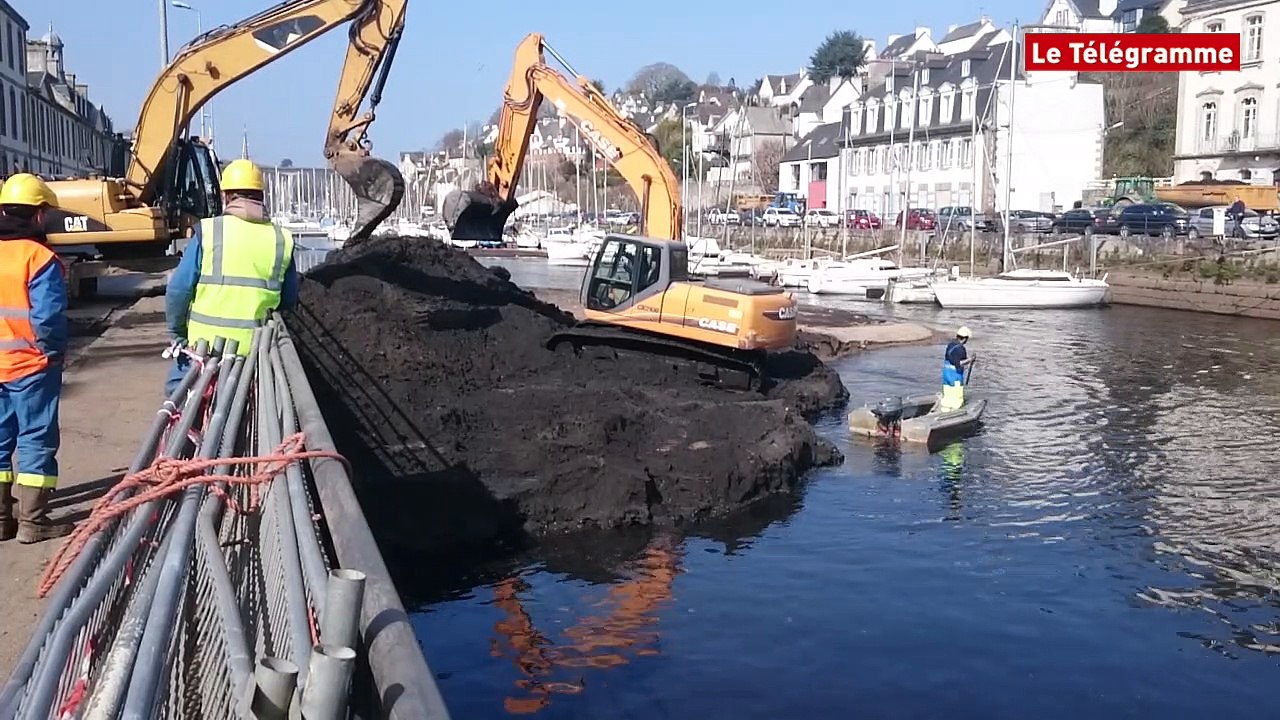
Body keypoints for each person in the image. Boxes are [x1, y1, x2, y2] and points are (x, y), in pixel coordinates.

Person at [164, 159, 300, 395]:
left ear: (226, 196)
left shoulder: (208, 232)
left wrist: (178, 334)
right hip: (254, 354)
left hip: (204, 352)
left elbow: (178, 290)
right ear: (261, 196)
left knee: (176, 395)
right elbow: (288, 299)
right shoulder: (282, 239)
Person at [0, 173, 73, 543]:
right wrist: (53, 350)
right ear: (39, 215)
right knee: (36, 439)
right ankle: (33, 521)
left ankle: (1, 520)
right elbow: (47, 317)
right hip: (30, 366)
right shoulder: (39, 257)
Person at [940, 326, 975, 411]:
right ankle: (956, 412)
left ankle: (945, 409)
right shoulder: (961, 349)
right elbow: (959, 363)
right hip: (955, 376)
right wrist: (970, 360)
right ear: (965, 338)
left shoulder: (951, 344)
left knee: (948, 394)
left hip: (946, 374)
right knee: (957, 397)